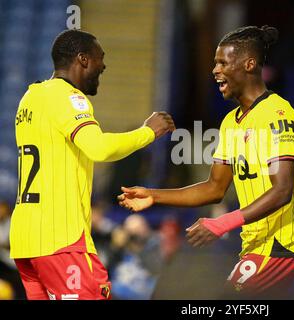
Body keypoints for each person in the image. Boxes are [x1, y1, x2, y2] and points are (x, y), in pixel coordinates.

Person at [118, 25, 294, 298]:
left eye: (222, 63)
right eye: (214, 63)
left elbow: (282, 191)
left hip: (281, 247)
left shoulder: (277, 115)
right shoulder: (231, 123)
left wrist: (222, 224)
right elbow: (214, 188)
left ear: (249, 64)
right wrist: (154, 195)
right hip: (254, 248)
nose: (215, 70)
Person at [10, 29, 175, 300]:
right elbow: (98, 147)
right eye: (100, 58)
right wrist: (148, 132)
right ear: (83, 59)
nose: (104, 65)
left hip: (26, 241)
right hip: (60, 240)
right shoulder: (68, 97)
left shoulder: (30, 98)